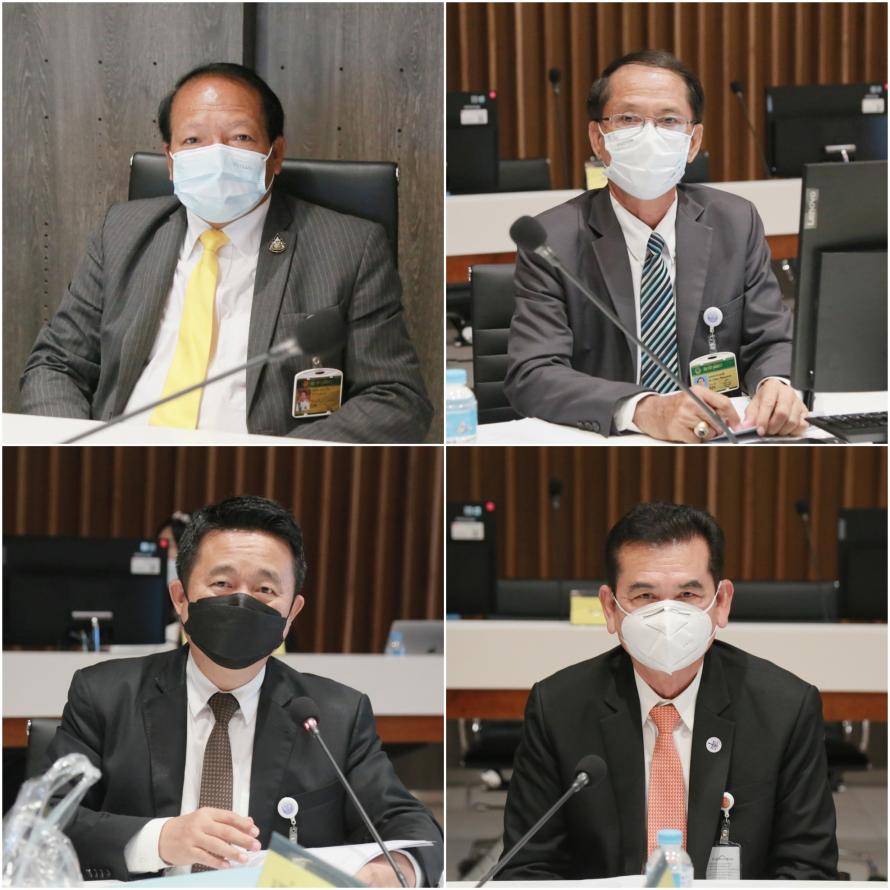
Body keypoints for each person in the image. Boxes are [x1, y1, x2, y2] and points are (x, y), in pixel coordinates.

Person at [20, 62, 431, 443]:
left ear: (275, 154)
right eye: (193, 140)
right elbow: (56, 363)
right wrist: (81, 452)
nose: (215, 155)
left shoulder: (350, 247)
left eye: (240, 137)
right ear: (171, 161)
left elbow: (396, 398)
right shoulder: (121, 232)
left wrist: (277, 466)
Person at [44, 496, 443, 886]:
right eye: (222, 583)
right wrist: (160, 840)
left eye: (265, 590)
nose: (242, 602)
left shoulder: (334, 715)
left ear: (291, 613)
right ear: (181, 599)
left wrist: (389, 872)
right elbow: (48, 821)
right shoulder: (105, 695)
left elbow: (410, 825)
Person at [500, 502, 837, 880]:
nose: (667, 617)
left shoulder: (785, 709)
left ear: (721, 602)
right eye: (645, 596)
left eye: (688, 595)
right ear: (610, 608)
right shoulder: (558, 707)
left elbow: (808, 869)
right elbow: (527, 867)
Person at [504, 50, 809, 443]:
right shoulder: (552, 239)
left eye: (668, 120)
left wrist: (775, 383)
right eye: (629, 119)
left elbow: (773, 339)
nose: (649, 135)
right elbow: (532, 374)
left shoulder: (735, 222)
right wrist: (644, 409)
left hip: (720, 437)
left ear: (693, 141)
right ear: (598, 138)